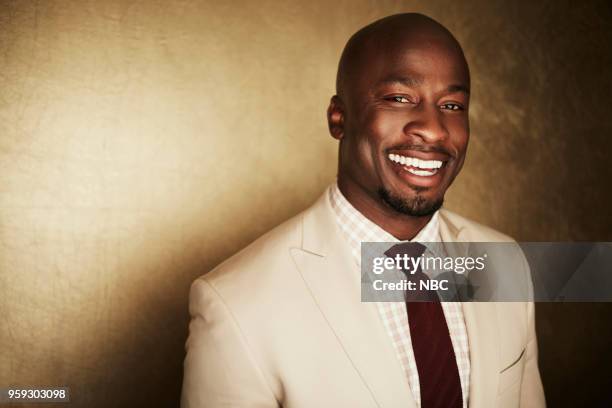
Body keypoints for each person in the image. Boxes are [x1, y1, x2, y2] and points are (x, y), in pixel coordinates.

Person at [181, 13, 545, 408]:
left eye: (452, 104)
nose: (435, 129)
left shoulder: (504, 262)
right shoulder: (236, 305)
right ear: (339, 117)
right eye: (399, 98)